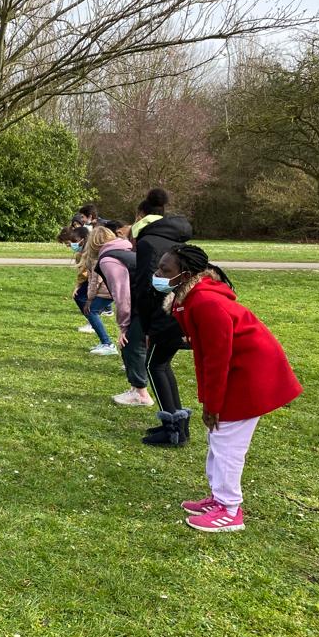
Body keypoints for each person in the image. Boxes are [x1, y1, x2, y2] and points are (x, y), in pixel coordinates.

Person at [158, 244, 302, 532]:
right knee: (218, 438)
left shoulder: (207, 303)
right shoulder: (191, 298)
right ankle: (218, 497)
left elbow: (217, 359)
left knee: (227, 444)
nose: (158, 274)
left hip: (249, 376)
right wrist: (208, 401)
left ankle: (229, 509)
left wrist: (212, 404)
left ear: (185, 274)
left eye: (165, 270)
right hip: (240, 371)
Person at [130, 188, 193, 445]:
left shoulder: (147, 242)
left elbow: (145, 285)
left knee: (154, 365)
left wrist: (145, 325)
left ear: (141, 217)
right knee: (162, 365)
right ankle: (178, 423)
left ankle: (173, 430)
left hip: (162, 314)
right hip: (178, 309)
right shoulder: (176, 240)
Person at [95, 223, 153, 405]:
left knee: (131, 344)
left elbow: (121, 295)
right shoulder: (128, 250)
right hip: (149, 301)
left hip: (144, 304)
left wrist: (123, 326)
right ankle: (137, 389)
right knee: (137, 345)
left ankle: (141, 395)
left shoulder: (108, 259)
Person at [80, 225, 118, 355]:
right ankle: (106, 343)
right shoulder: (113, 253)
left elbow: (95, 280)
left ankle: (107, 343)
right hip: (114, 290)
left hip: (106, 291)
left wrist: (89, 299)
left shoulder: (97, 258)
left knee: (91, 311)